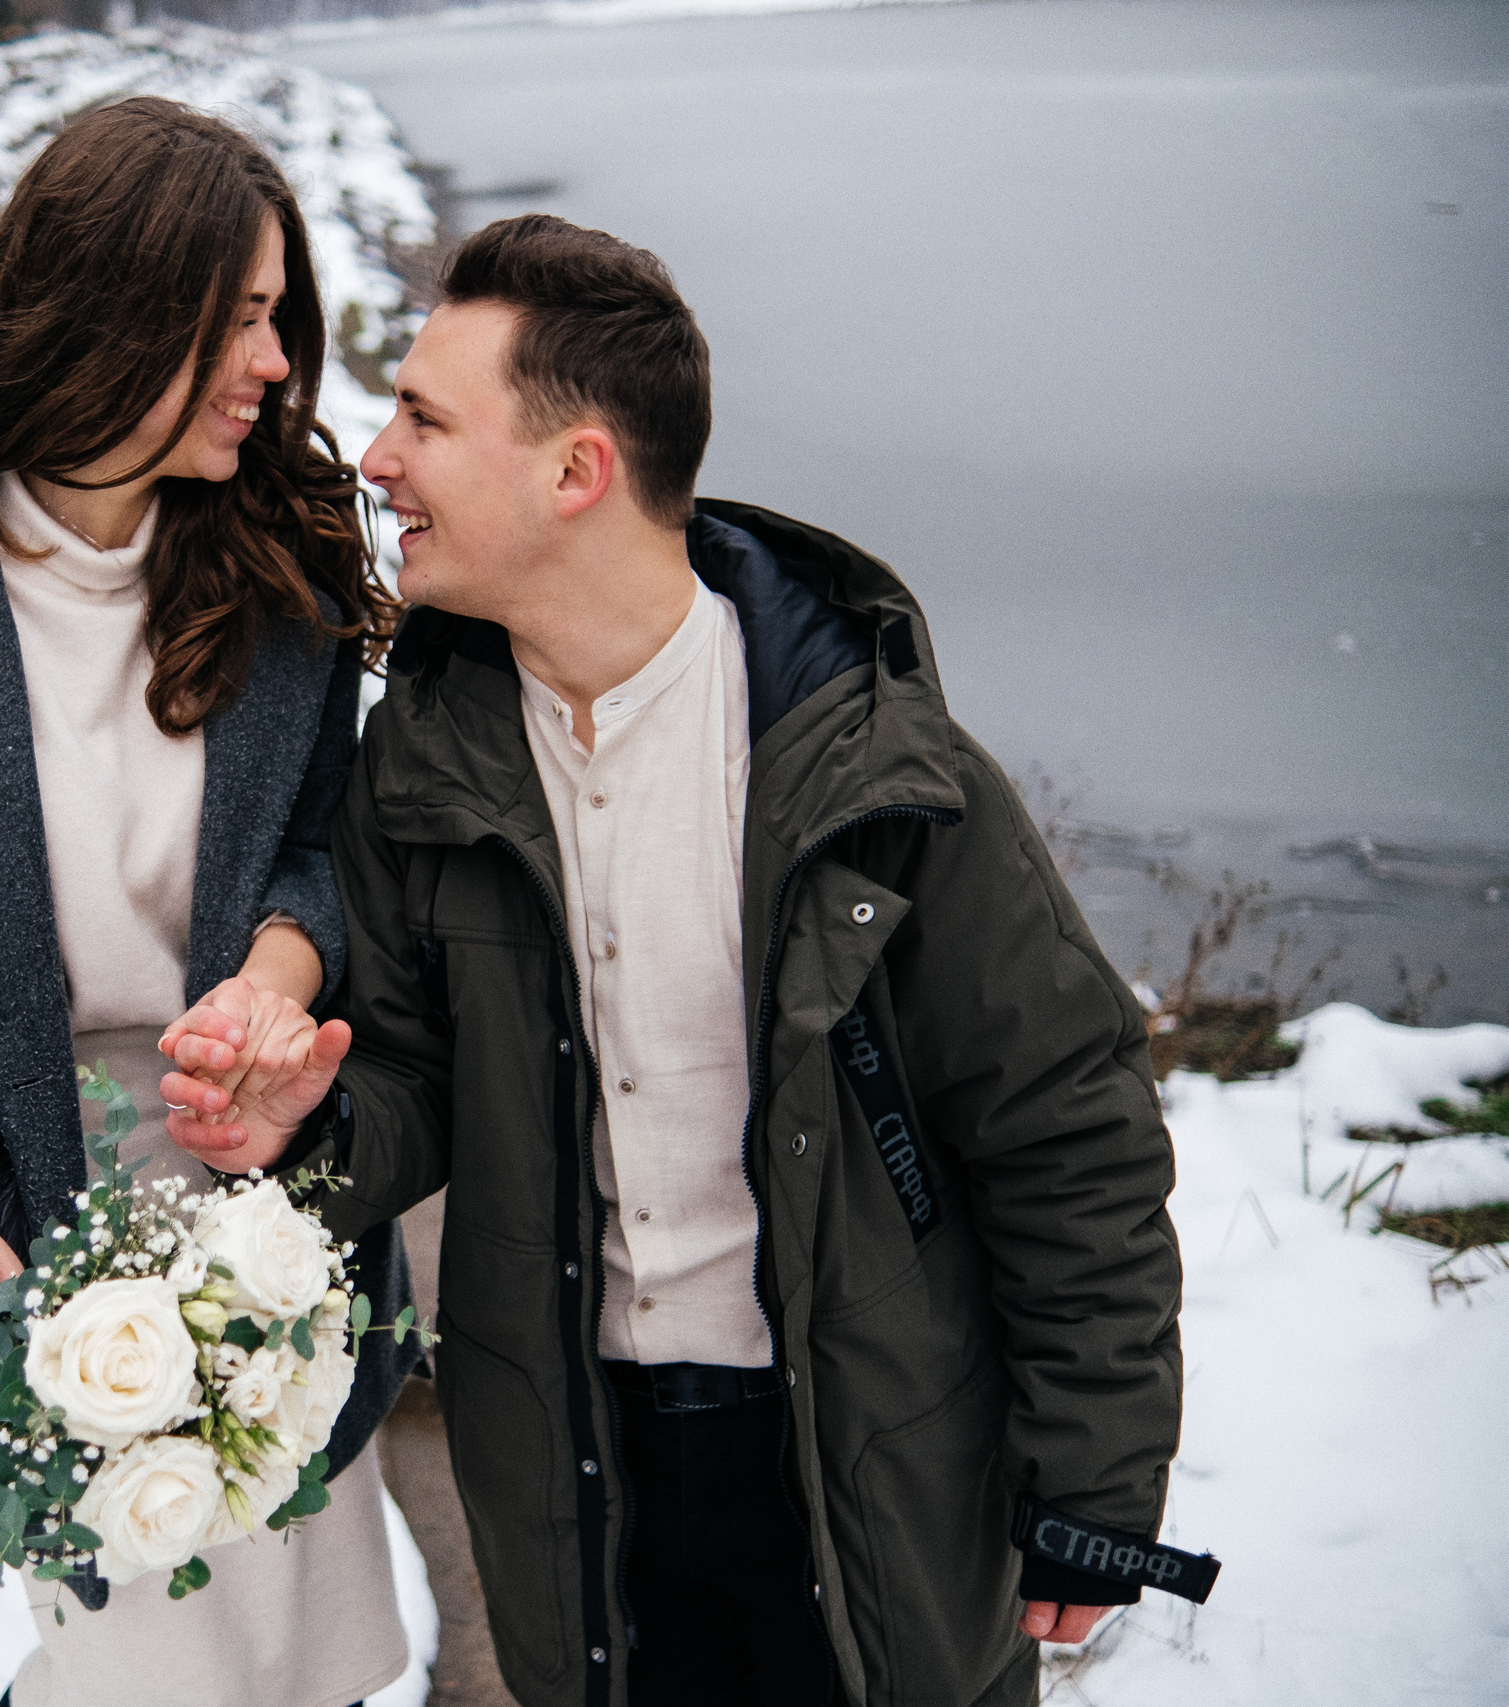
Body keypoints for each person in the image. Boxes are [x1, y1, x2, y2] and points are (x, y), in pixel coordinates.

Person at [161, 214, 1205, 1707]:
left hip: (867, 1463)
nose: (376, 459)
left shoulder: (882, 777)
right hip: (576, 1476)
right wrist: (302, 1131)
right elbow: (414, 1083)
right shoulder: (422, 763)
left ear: (577, 471)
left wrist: (1093, 1487)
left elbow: (1070, 1133)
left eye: (425, 418)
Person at [0, 97, 416, 1707]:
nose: (278, 365)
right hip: (27, 1202)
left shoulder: (284, 563)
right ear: (124, 317)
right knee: (139, 1646)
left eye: (281, 319)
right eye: (240, 320)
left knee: (302, 1640)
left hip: (265, 1168)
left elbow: (332, 845)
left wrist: (274, 968)